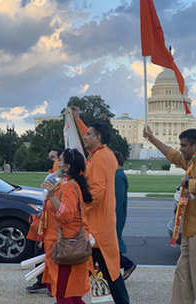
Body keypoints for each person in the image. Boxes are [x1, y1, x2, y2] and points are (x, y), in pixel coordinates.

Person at [143, 126, 196, 304]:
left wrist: (189, 182)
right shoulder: (193, 160)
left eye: (184, 145)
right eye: (181, 145)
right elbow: (172, 155)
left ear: (195, 145)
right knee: (182, 274)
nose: (181, 148)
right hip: (189, 228)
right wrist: (152, 138)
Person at [71, 106, 130, 304]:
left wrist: (79, 208)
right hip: (99, 224)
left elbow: (96, 191)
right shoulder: (101, 155)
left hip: (97, 227)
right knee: (107, 269)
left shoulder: (100, 158)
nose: (84, 136)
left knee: (108, 270)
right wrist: (78, 120)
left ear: (98, 137)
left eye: (88, 134)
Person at [40, 148, 92, 304]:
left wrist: (50, 195)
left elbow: (65, 215)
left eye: (60, 160)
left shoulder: (69, 186)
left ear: (67, 166)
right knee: (72, 294)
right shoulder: (72, 184)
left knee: (64, 294)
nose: (57, 162)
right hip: (72, 243)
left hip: (67, 246)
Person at [26, 149, 62, 294]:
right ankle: (42, 281)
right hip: (44, 222)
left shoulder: (62, 181)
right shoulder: (51, 177)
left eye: (54, 158)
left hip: (53, 224)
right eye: (50, 158)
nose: (52, 161)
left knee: (52, 256)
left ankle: (53, 285)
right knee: (39, 252)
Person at [113, 150, 136, 280]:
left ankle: (127, 264)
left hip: (115, 216)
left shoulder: (118, 176)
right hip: (114, 216)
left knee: (113, 243)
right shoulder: (117, 175)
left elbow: (117, 200)